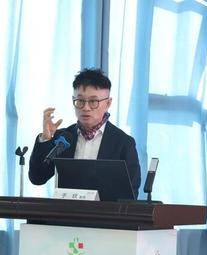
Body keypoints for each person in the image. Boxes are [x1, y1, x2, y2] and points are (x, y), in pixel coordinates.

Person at [28, 68, 141, 197]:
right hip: (65, 209)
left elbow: (131, 194)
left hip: (105, 209)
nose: (86, 108)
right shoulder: (63, 138)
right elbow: (37, 178)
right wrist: (46, 139)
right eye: (80, 101)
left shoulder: (123, 143)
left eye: (93, 102)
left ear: (108, 103)